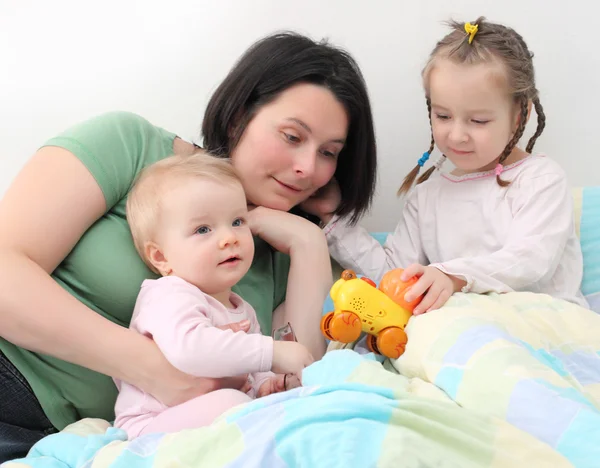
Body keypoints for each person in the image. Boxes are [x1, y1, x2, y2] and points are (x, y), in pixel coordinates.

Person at [0, 31, 377, 462]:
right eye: (292, 137)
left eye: (329, 152)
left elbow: (294, 378)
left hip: (74, 440)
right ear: (238, 116)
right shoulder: (131, 146)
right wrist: (154, 369)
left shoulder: (277, 255)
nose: (308, 168)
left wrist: (308, 243)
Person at [324, 17, 587, 317]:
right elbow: (395, 276)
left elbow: (531, 260)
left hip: (545, 325)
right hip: (467, 335)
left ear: (519, 116)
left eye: (478, 121)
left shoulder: (541, 179)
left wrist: (452, 276)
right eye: (443, 116)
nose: (457, 135)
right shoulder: (427, 197)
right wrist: (335, 220)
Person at [114, 154, 314, 438]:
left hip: (210, 417)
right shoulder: (168, 294)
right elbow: (189, 348)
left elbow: (251, 376)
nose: (230, 237)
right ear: (160, 257)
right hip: (151, 425)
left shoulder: (242, 308)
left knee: (264, 404)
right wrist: (271, 352)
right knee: (234, 404)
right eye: (203, 229)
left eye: (237, 221)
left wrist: (268, 385)